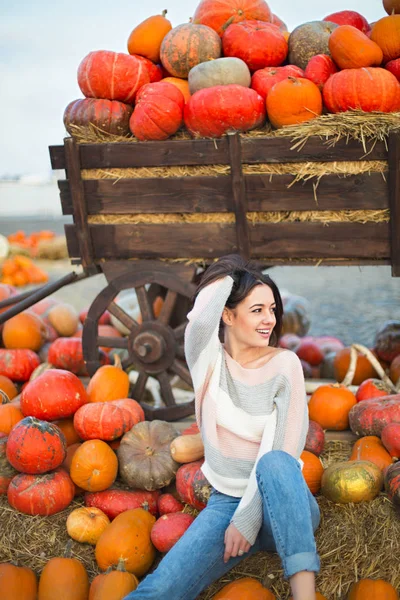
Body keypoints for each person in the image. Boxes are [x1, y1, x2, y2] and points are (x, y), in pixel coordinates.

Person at [124, 254, 321, 600]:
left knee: (275, 464)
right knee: (160, 588)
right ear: (228, 315)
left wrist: (247, 519)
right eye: (257, 310)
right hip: (225, 504)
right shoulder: (208, 363)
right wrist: (234, 273)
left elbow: (283, 450)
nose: (269, 320)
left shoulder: (285, 365)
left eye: (272, 309)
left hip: (284, 503)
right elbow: (200, 320)